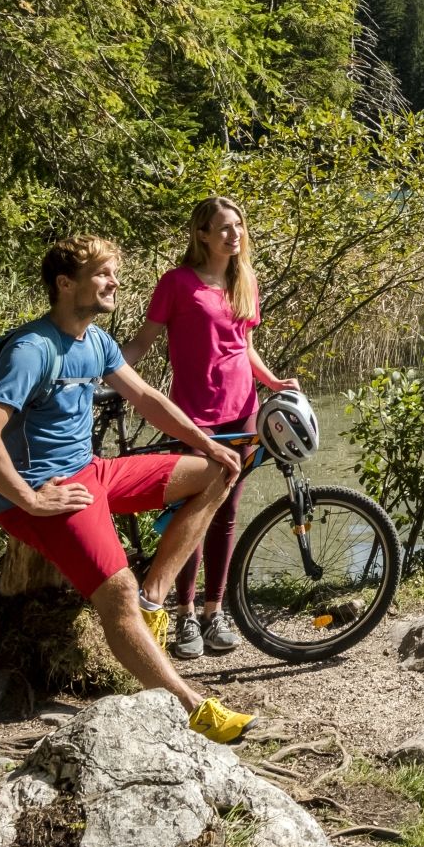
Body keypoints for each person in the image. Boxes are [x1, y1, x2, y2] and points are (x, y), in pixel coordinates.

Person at [0, 233, 255, 742]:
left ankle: (154, 599)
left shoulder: (96, 342)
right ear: (65, 284)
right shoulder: (31, 350)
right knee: (115, 592)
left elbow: (148, 399)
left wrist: (208, 444)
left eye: (113, 272)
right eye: (102, 273)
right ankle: (193, 709)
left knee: (218, 473)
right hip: (47, 495)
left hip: (92, 472)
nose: (114, 281)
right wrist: (30, 498)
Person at [126, 196, 295, 660]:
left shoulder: (245, 279)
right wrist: (105, 372)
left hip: (242, 413)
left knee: (224, 515)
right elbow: (144, 341)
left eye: (238, 225)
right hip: (194, 417)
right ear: (202, 234)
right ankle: (183, 614)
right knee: (192, 515)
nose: (233, 234)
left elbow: (245, 347)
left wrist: (272, 381)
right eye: (223, 227)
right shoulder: (177, 283)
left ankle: (212, 611)